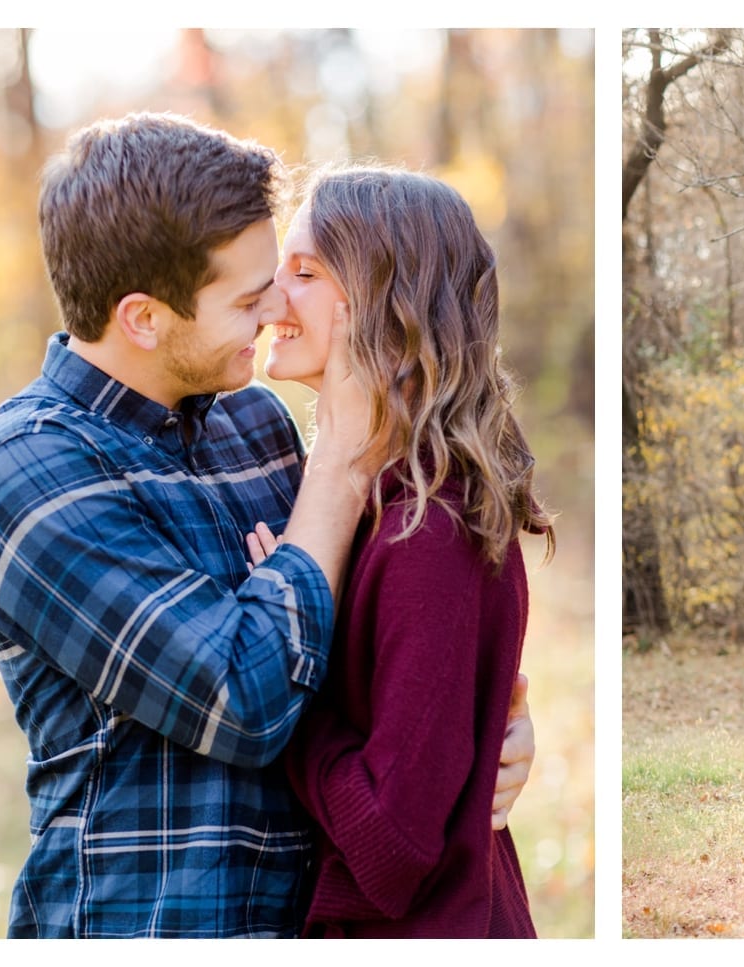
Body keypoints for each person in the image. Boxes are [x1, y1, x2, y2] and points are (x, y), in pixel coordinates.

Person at [0, 113, 534, 938]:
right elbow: (248, 700)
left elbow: (368, 645)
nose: (271, 312)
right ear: (144, 317)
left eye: (288, 276)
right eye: (250, 294)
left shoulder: (253, 425)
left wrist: (483, 729)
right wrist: (337, 465)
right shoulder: (29, 473)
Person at [246, 163, 552, 937]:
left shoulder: (431, 531)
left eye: (304, 271)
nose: (271, 294)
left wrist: (284, 680)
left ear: (388, 307)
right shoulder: (370, 504)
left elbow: (393, 846)